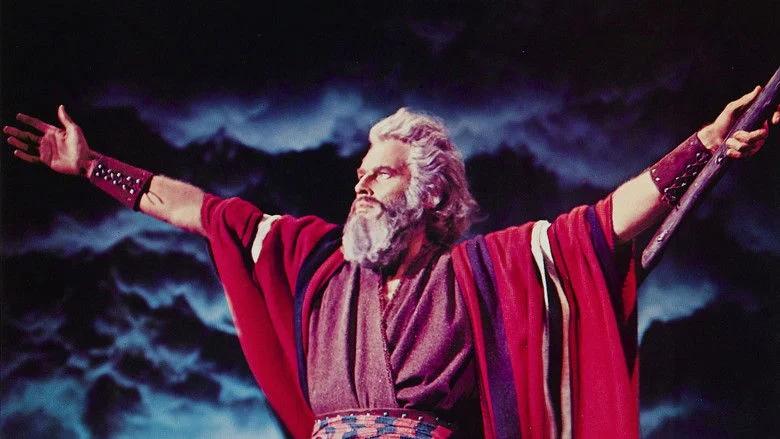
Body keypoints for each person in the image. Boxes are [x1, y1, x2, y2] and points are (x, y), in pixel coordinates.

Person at [4, 88, 778, 439]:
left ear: (430, 191)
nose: (362, 184)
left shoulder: (477, 274)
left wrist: (701, 147)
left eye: (381, 172)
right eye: (359, 174)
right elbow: (196, 209)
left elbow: (601, 224)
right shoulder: (315, 264)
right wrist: (92, 165)